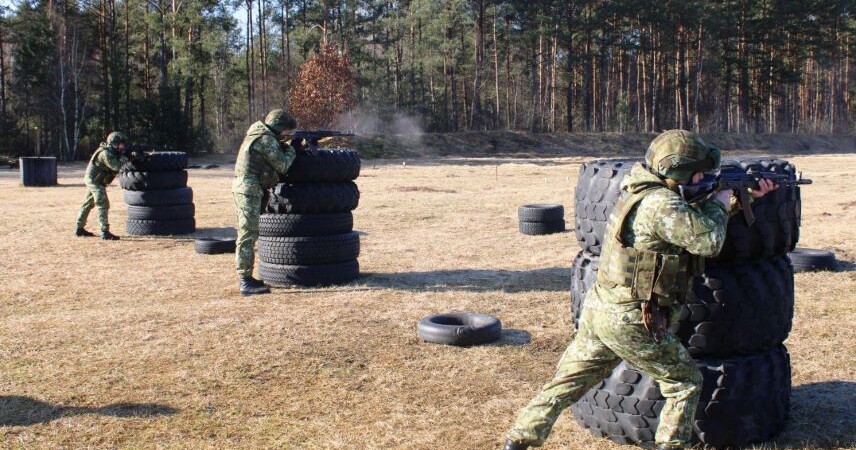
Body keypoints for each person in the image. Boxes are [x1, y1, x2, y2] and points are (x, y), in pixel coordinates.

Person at [503, 130, 779, 450]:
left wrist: (737, 198)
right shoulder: (661, 203)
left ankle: (518, 439)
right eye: (697, 173)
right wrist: (719, 202)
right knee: (684, 383)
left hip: (601, 308)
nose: (702, 177)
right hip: (633, 319)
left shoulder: (640, 187)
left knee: (568, 382)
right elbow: (708, 241)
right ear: (677, 173)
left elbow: (685, 220)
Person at [233, 109, 298, 296]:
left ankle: (247, 277)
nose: (287, 134)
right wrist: (292, 149)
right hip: (249, 189)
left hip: (249, 188)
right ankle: (245, 281)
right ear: (279, 128)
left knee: (249, 233)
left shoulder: (261, 134)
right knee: (247, 233)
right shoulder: (266, 139)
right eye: (286, 131)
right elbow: (283, 166)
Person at [75, 131, 131, 240]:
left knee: (88, 204)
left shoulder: (112, 152)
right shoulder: (105, 153)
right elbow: (116, 166)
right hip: (94, 181)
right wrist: (127, 157)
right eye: (120, 144)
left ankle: (79, 228)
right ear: (114, 144)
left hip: (97, 180)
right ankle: (104, 231)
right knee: (103, 203)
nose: (123, 146)